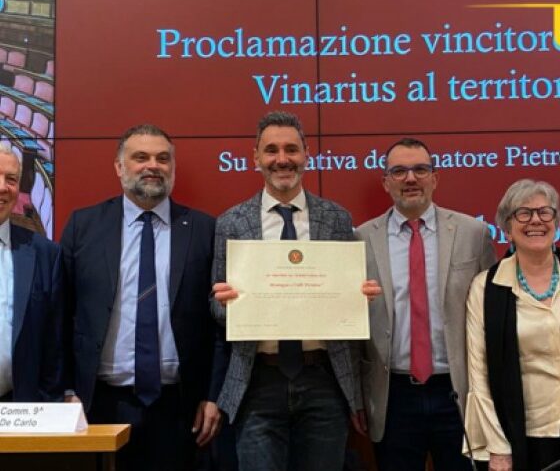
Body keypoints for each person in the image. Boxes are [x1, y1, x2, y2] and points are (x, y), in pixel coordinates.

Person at [211, 111, 380, 471]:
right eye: (271, 150)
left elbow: (347, 302)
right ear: (256, 157)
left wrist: (358, 298)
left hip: (323, 379)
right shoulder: (231, 222)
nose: (282, 159)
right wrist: (226, 304)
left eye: (291, 149)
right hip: (257, 380)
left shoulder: (336, 218)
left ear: (306, 154)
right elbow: (215, 308)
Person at [60, 124, 223, 471]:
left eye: (163, 159)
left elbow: (219, 324)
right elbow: (61, 314)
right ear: (119, 167)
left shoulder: (204, 230)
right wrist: (67, 390)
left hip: (181, 408)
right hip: (99, 404)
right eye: (141, 157)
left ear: (173, 168)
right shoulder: (83, 226)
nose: (153, 166)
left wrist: (213, 395)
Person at [355, 137, 496, 471]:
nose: (410, 178)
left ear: (435, 178)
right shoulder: (361, 238)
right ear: (385, 181)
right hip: (393, 395)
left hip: (458, 391)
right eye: (399, 171)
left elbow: (492, 315)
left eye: (420, 169)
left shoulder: (473, 233)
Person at [465, 179, 560, 471]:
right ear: (507, 229)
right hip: (523, 437)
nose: (536, 220)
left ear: (555, 222)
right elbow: (479, 375)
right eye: (523, 213)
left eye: (545, 212)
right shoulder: (486, 287)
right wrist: (498, 448)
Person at [0, 144, 63, 402]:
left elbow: (54, 341)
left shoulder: (44, 254)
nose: (3, 187)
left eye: (11, 179)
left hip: (21, 409)